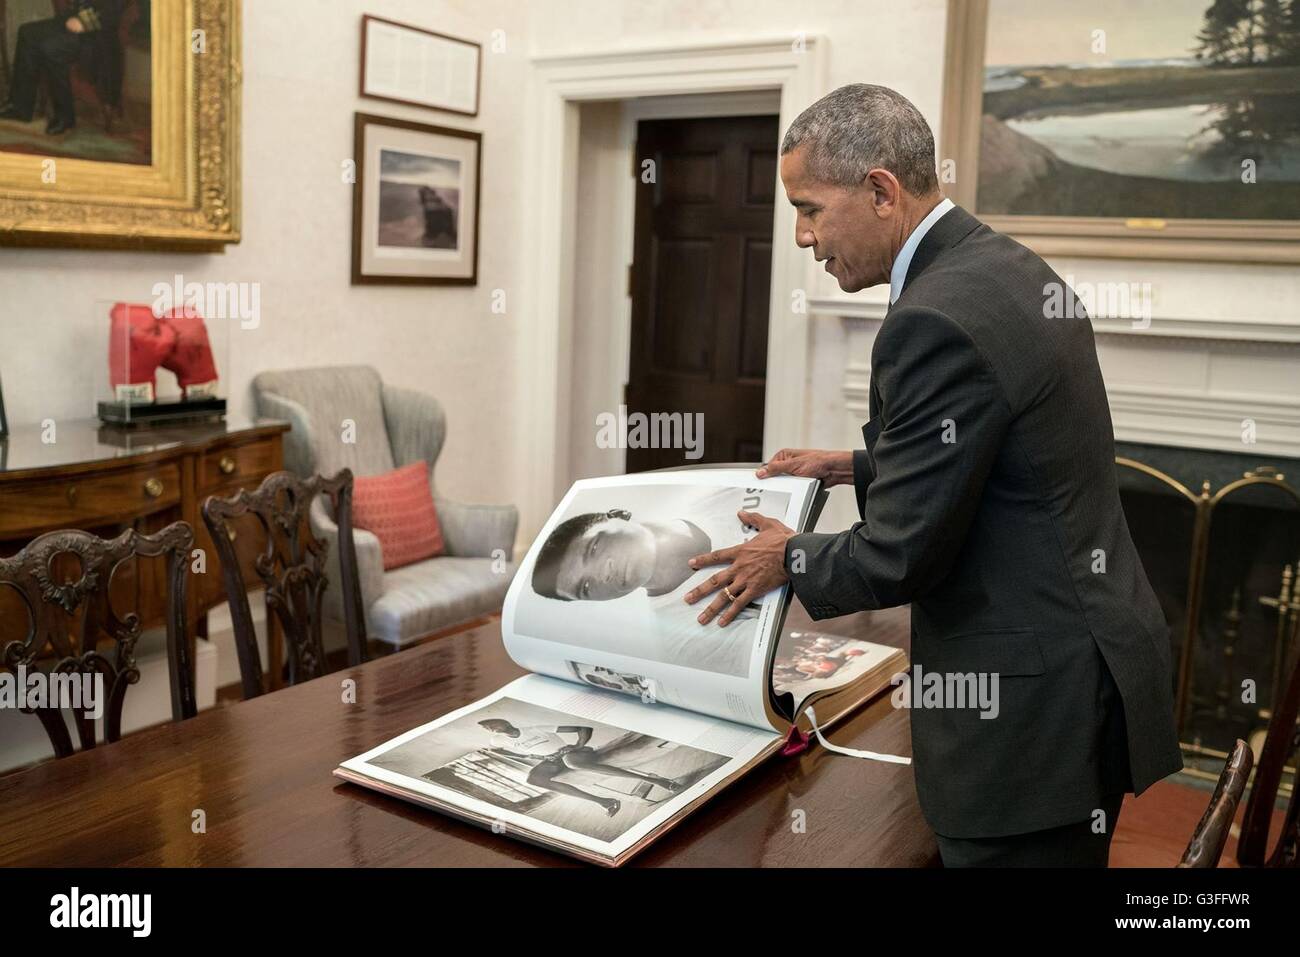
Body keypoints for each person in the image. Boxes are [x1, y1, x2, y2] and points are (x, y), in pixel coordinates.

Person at [682, 84, 1182, 867]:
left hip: (1028, 714)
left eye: (809, 209)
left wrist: (787, 555)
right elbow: (1006, 458)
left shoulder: (931, 318)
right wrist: (848, 465)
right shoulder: (1001, 266)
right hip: (1085, 662)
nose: (806, 238)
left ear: (881, 190)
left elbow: (900, 554)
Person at [478, 718, 683, 817]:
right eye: (488, 728)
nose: (490, 728)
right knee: (533, 779)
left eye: (492, 724)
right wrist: (531, 755)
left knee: (571, 761)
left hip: (573, 753)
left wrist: (576, 745)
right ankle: (605, 801)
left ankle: (658, 780)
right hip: (551, 759)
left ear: (504, 722)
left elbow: (584, 728)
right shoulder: (497, 740)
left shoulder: (534, 728)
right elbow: (501, 750)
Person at [0, 1, 122, 135]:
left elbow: (114, 11)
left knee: (52, 48)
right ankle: (20, 107)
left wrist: (84, 22)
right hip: (74, 19)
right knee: (27, 32)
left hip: (97, 37)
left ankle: (65, 117)